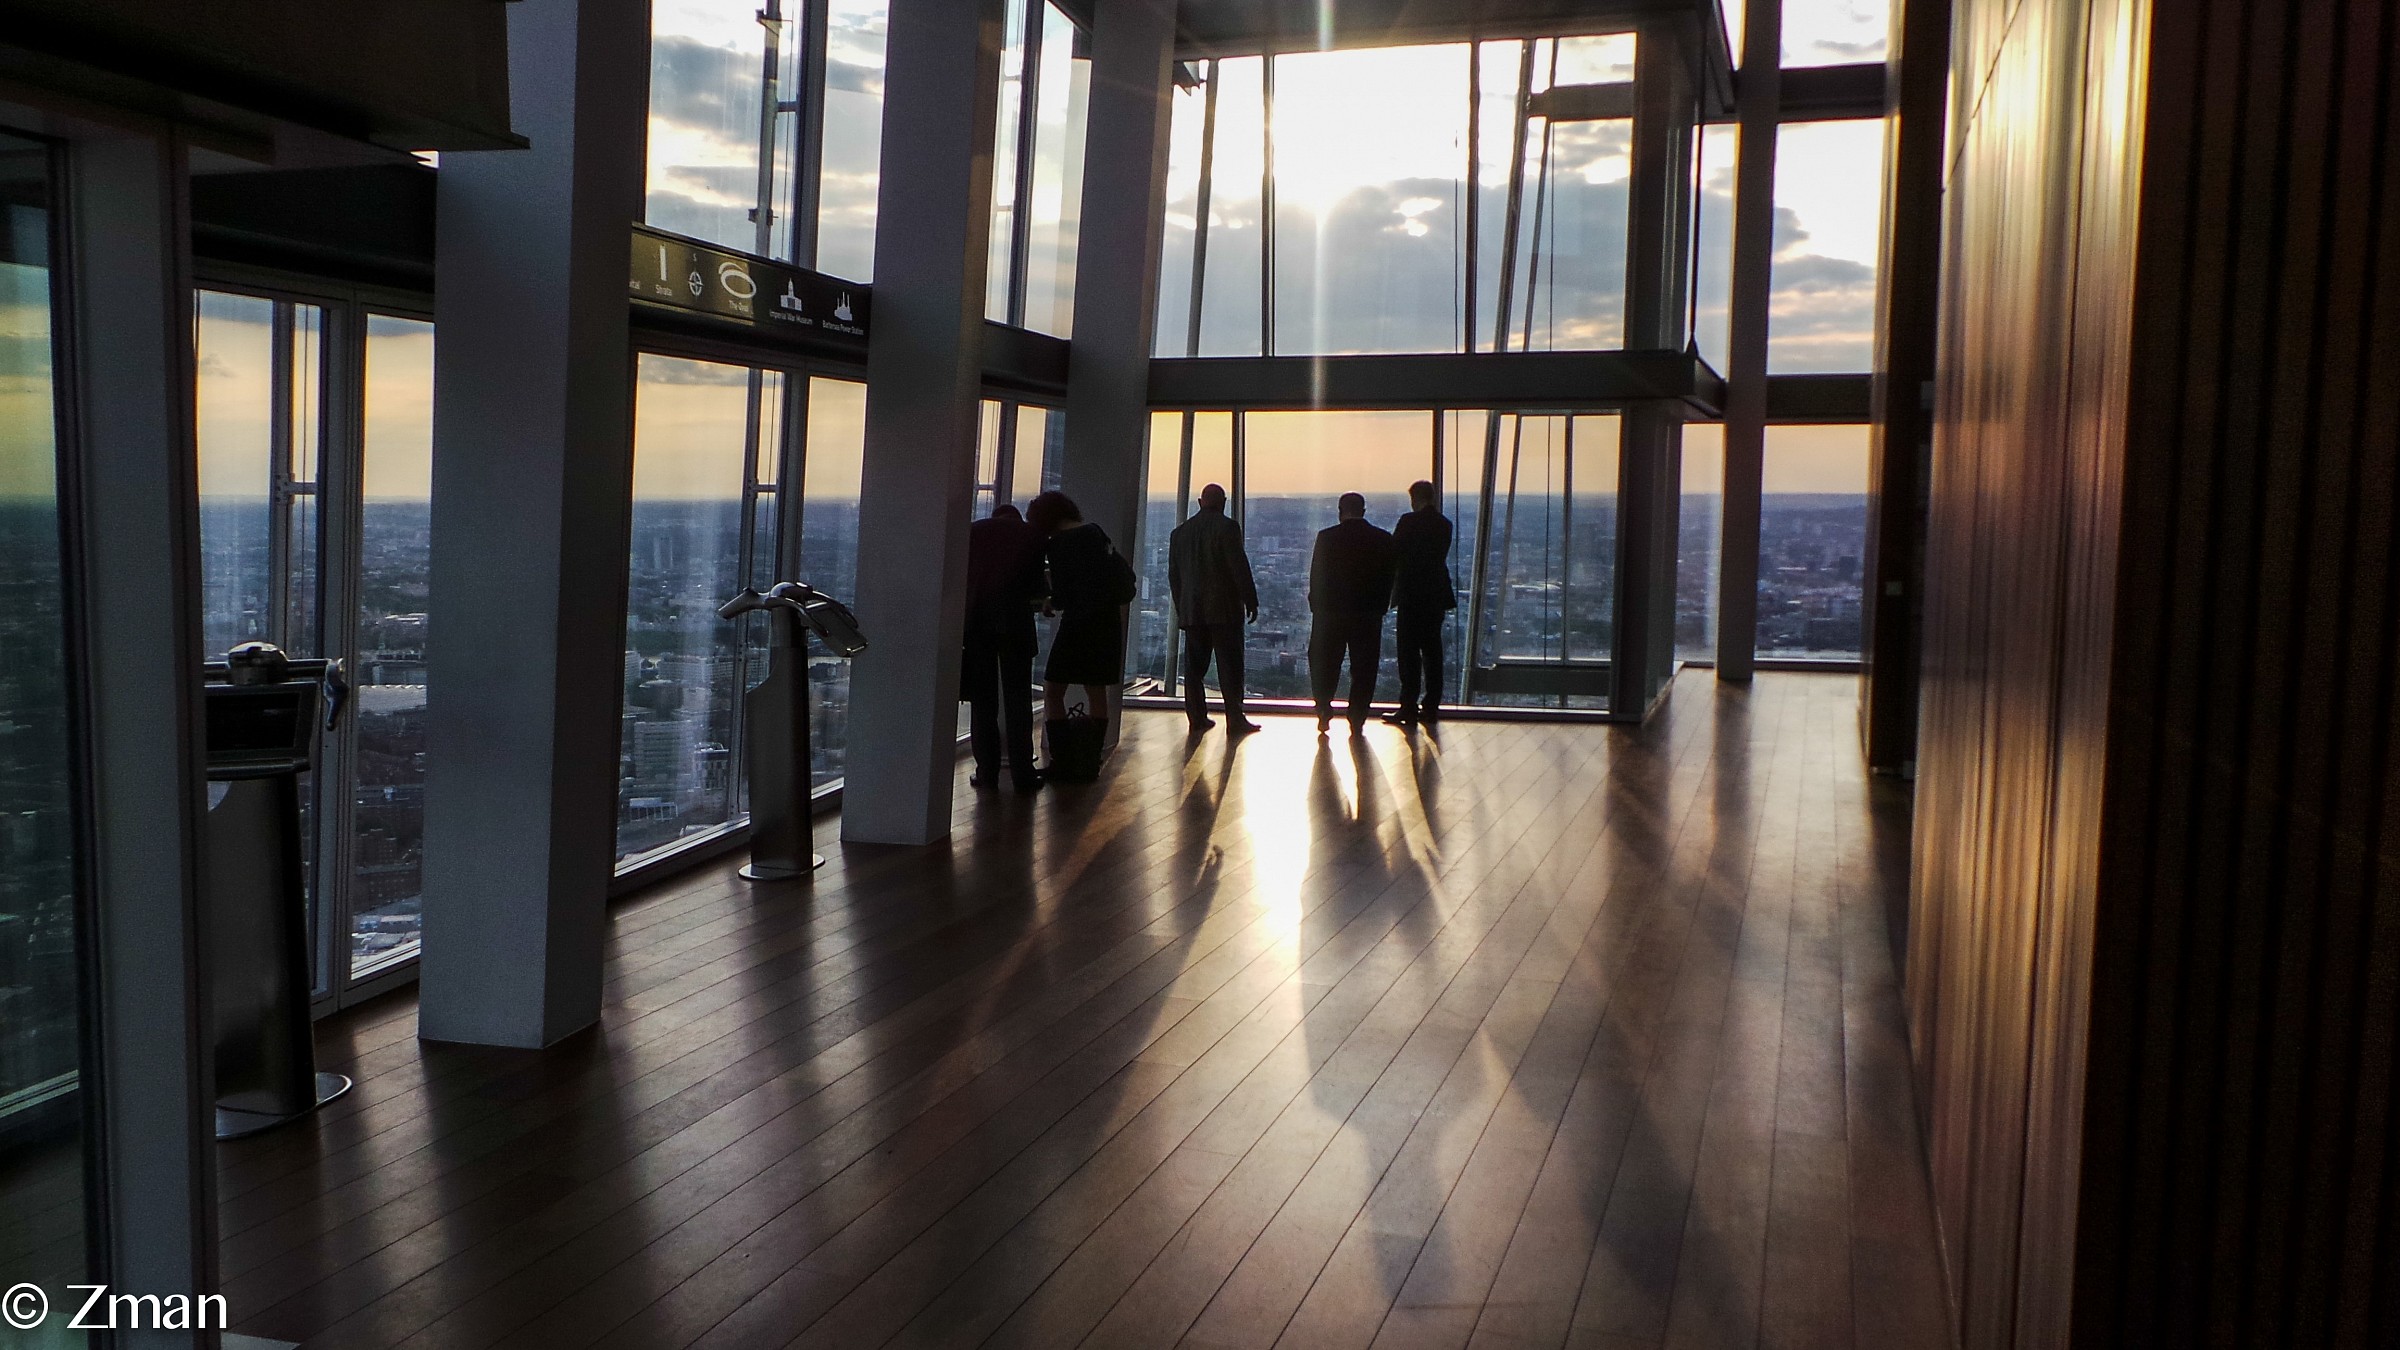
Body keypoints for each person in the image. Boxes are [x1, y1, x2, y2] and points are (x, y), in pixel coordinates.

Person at [959, 502, 1048, 793]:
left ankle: (987, 772)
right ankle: (1023, 773)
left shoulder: (972, 532)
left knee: (983, 701)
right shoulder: (1031, 535)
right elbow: (1037, 587)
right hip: (1016, 624)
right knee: (1018, 700)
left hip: (977, 624)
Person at [1025, 489, 1130, 724]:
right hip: (1107, 622)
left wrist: (1050, 601)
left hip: (1078, 625)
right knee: (1095, 690)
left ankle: (1062, 754)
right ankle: (1093, 754)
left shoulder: (1059, 545)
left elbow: (1064, 593)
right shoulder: (1094, 532)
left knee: (1053, 689)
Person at [1167, 482, 1261, 736]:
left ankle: (1197, 717)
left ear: (1200, 503)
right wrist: (1250, 599)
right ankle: (1235, 718)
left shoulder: (1179, 533)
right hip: (1224, 611)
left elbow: (1174, 576)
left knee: (1194, 669)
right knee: (1230, 666)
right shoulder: (1228, 528)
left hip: (1192, 611)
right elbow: (1238, 567)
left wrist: (1182, 608)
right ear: (1224, 503)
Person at [1306, 491, 1398, 735]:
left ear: (1339, 511)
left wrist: (1317, 607)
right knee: (1364, 667)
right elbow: (1389, 577)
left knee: (1324, 663)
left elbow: (1317, 576)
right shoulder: (1382, 539)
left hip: (1330, 613)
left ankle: (1324, 708)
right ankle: (1357, 716)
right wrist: (1381, 606)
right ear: (1364, 511)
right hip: (1367, 614)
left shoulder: (1326, 538)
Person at [1385, 479, 1457, 726]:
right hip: (1435, 596)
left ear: (1415, 498)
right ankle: (1431, 707)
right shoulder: (1444, 525)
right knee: (1433, 653)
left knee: (1408, 654)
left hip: (1411, 594)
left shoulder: (1408, 522)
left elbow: (1394, 553)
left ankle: (1408, 707)